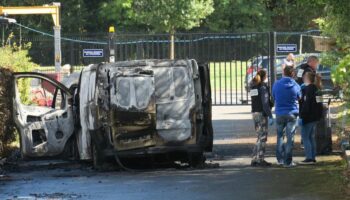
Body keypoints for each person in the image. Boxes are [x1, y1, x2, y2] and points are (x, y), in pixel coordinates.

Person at [272, 66, 301, 167]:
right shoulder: (296, 85)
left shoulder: (276, 84)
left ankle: (280, 159)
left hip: (279, 113)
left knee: (280, 136)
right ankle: (288, 162)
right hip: (292, 113)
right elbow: (299, 97)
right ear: (293, 74)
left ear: (283, 72)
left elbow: (274, 96)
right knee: (290, 138)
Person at [250, 69, 274, 167]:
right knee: (263, 137)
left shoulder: (253, 86)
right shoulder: (263, 87)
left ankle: (254, 159)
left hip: (255, 113)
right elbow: (265, 103)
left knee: (259, 137)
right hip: (261, 114)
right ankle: (260, 159)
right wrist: (270, 115)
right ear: (264, 76)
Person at [299, 72, 323, 164]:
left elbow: (306, 104)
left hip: (308, 117)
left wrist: (302, 116)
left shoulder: (308, 89)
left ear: (306, 78)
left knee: (305, 137)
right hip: (315, 117)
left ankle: (309, 158)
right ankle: (312, 157)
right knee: (311, 137)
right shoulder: (317, 89)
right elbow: (319, 104)